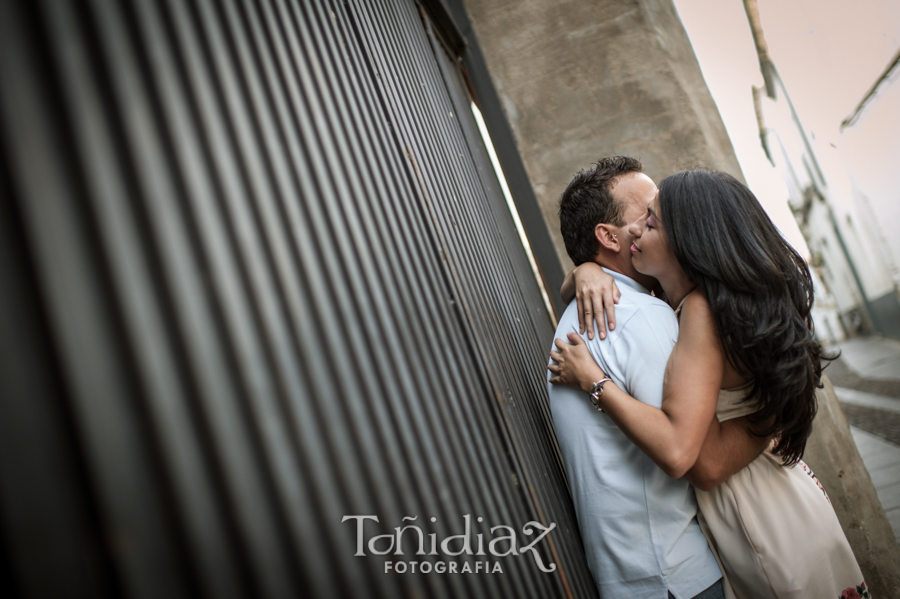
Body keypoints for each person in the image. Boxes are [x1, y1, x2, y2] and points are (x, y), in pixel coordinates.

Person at [549, 168, 867, 598]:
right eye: (643, 217)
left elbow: (702, 462)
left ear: (688, 240)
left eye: (652, 221)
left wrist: (596, 382)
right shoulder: (672, 303)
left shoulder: (695, 310)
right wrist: (585, 269)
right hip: (760, 501)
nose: (639, 229)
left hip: (760, 513)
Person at [547, 157, 768, 598]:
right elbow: (694, 457)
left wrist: (584, 271)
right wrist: (780, 415)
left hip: (633, 571)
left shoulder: (588, 311)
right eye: (648, 214)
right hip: (672, 571)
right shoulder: (642, 317)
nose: (661, 219)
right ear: (609, 237)